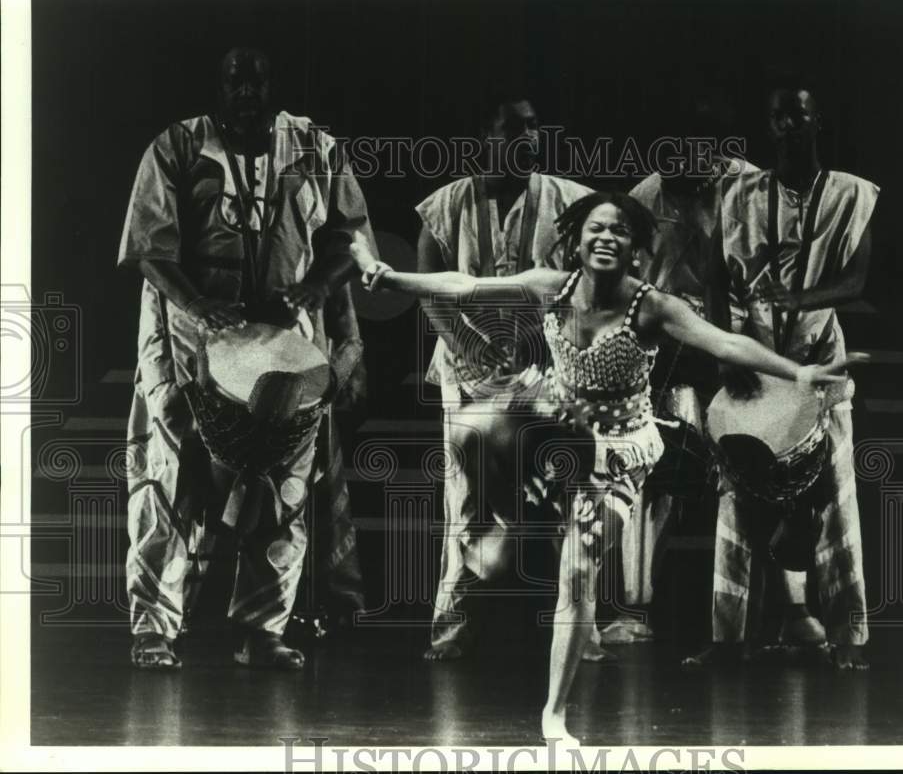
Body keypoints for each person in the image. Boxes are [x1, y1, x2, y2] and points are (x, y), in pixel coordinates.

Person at [351, 190, 863, 743]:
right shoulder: (553, 286)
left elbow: (726, 341)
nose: (606, 238)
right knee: (481, 425)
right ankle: (507, 523)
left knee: (576, 578)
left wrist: (798, 373)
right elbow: (465, 286)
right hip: (560, 426)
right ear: (575, 240)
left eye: (620, 231)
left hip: (617, 456)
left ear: (636, 250)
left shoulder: (652, 307)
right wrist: (394, 278)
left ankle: (554, 715)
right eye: (596, 228)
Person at [118, 47, 375, 670]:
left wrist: (316, 286)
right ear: (218, 85)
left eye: (258, 79)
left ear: (274, 85)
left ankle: (263, 630)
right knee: (171, 477)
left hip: (285, 340)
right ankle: (154, 628)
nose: (247, 91)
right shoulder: (177, 147)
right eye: (234, 79)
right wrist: (199, 304)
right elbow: (149, 249)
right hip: (186, 336)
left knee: (283, 484)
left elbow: (352, 240)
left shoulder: (315, 146)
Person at [687, 81, 877, 671]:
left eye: (798, 115)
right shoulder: (739, 189)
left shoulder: (851, 193)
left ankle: (848, 640)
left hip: (819, 358)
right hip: (752, 353)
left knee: (838, 502)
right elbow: (717, 279)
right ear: (768, 128)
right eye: (778, 118)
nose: (788, 126)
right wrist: (726, 359)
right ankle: (726, 641)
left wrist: (795, 295)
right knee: (736, 501)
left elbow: (855, 281)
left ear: (816, 120)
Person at [415, 92, 595, 661]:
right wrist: (464, 339)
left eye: (534, 127)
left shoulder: (570, 200)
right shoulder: (444, 205)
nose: (527, 138)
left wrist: (539, 339)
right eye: (513, 128)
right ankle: (455, 615)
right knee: (464, 496)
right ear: (483, 137)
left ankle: (580, 625)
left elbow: (584, 281)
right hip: (468, 367)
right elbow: (426, 285)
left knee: (567, 488)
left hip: (546, 366)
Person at [611, 98, 756, 646]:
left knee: (749, 474)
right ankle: (635, 605)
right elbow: (641, 289)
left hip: (743, 342)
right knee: (654, 472)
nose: (677, 170)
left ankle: (761, 614)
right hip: (677, 351)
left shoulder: (749, 189)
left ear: (715, 156)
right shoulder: (647, 197)